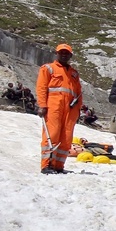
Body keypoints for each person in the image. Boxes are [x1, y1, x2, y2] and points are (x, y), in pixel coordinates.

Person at [36, 44, 83, 174]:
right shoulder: (48, 68)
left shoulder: (74, 73)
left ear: (70, 55)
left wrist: (78, 110)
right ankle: (46, 165)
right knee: (52, 135)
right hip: (53, 107)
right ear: (56, 53)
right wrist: (42, 105)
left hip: (70, 109)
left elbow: (79, 93)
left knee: (66, 138)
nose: (64, 55)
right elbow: (41, 88)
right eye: (61, 52)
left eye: (66, 53)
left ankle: (58, 165)